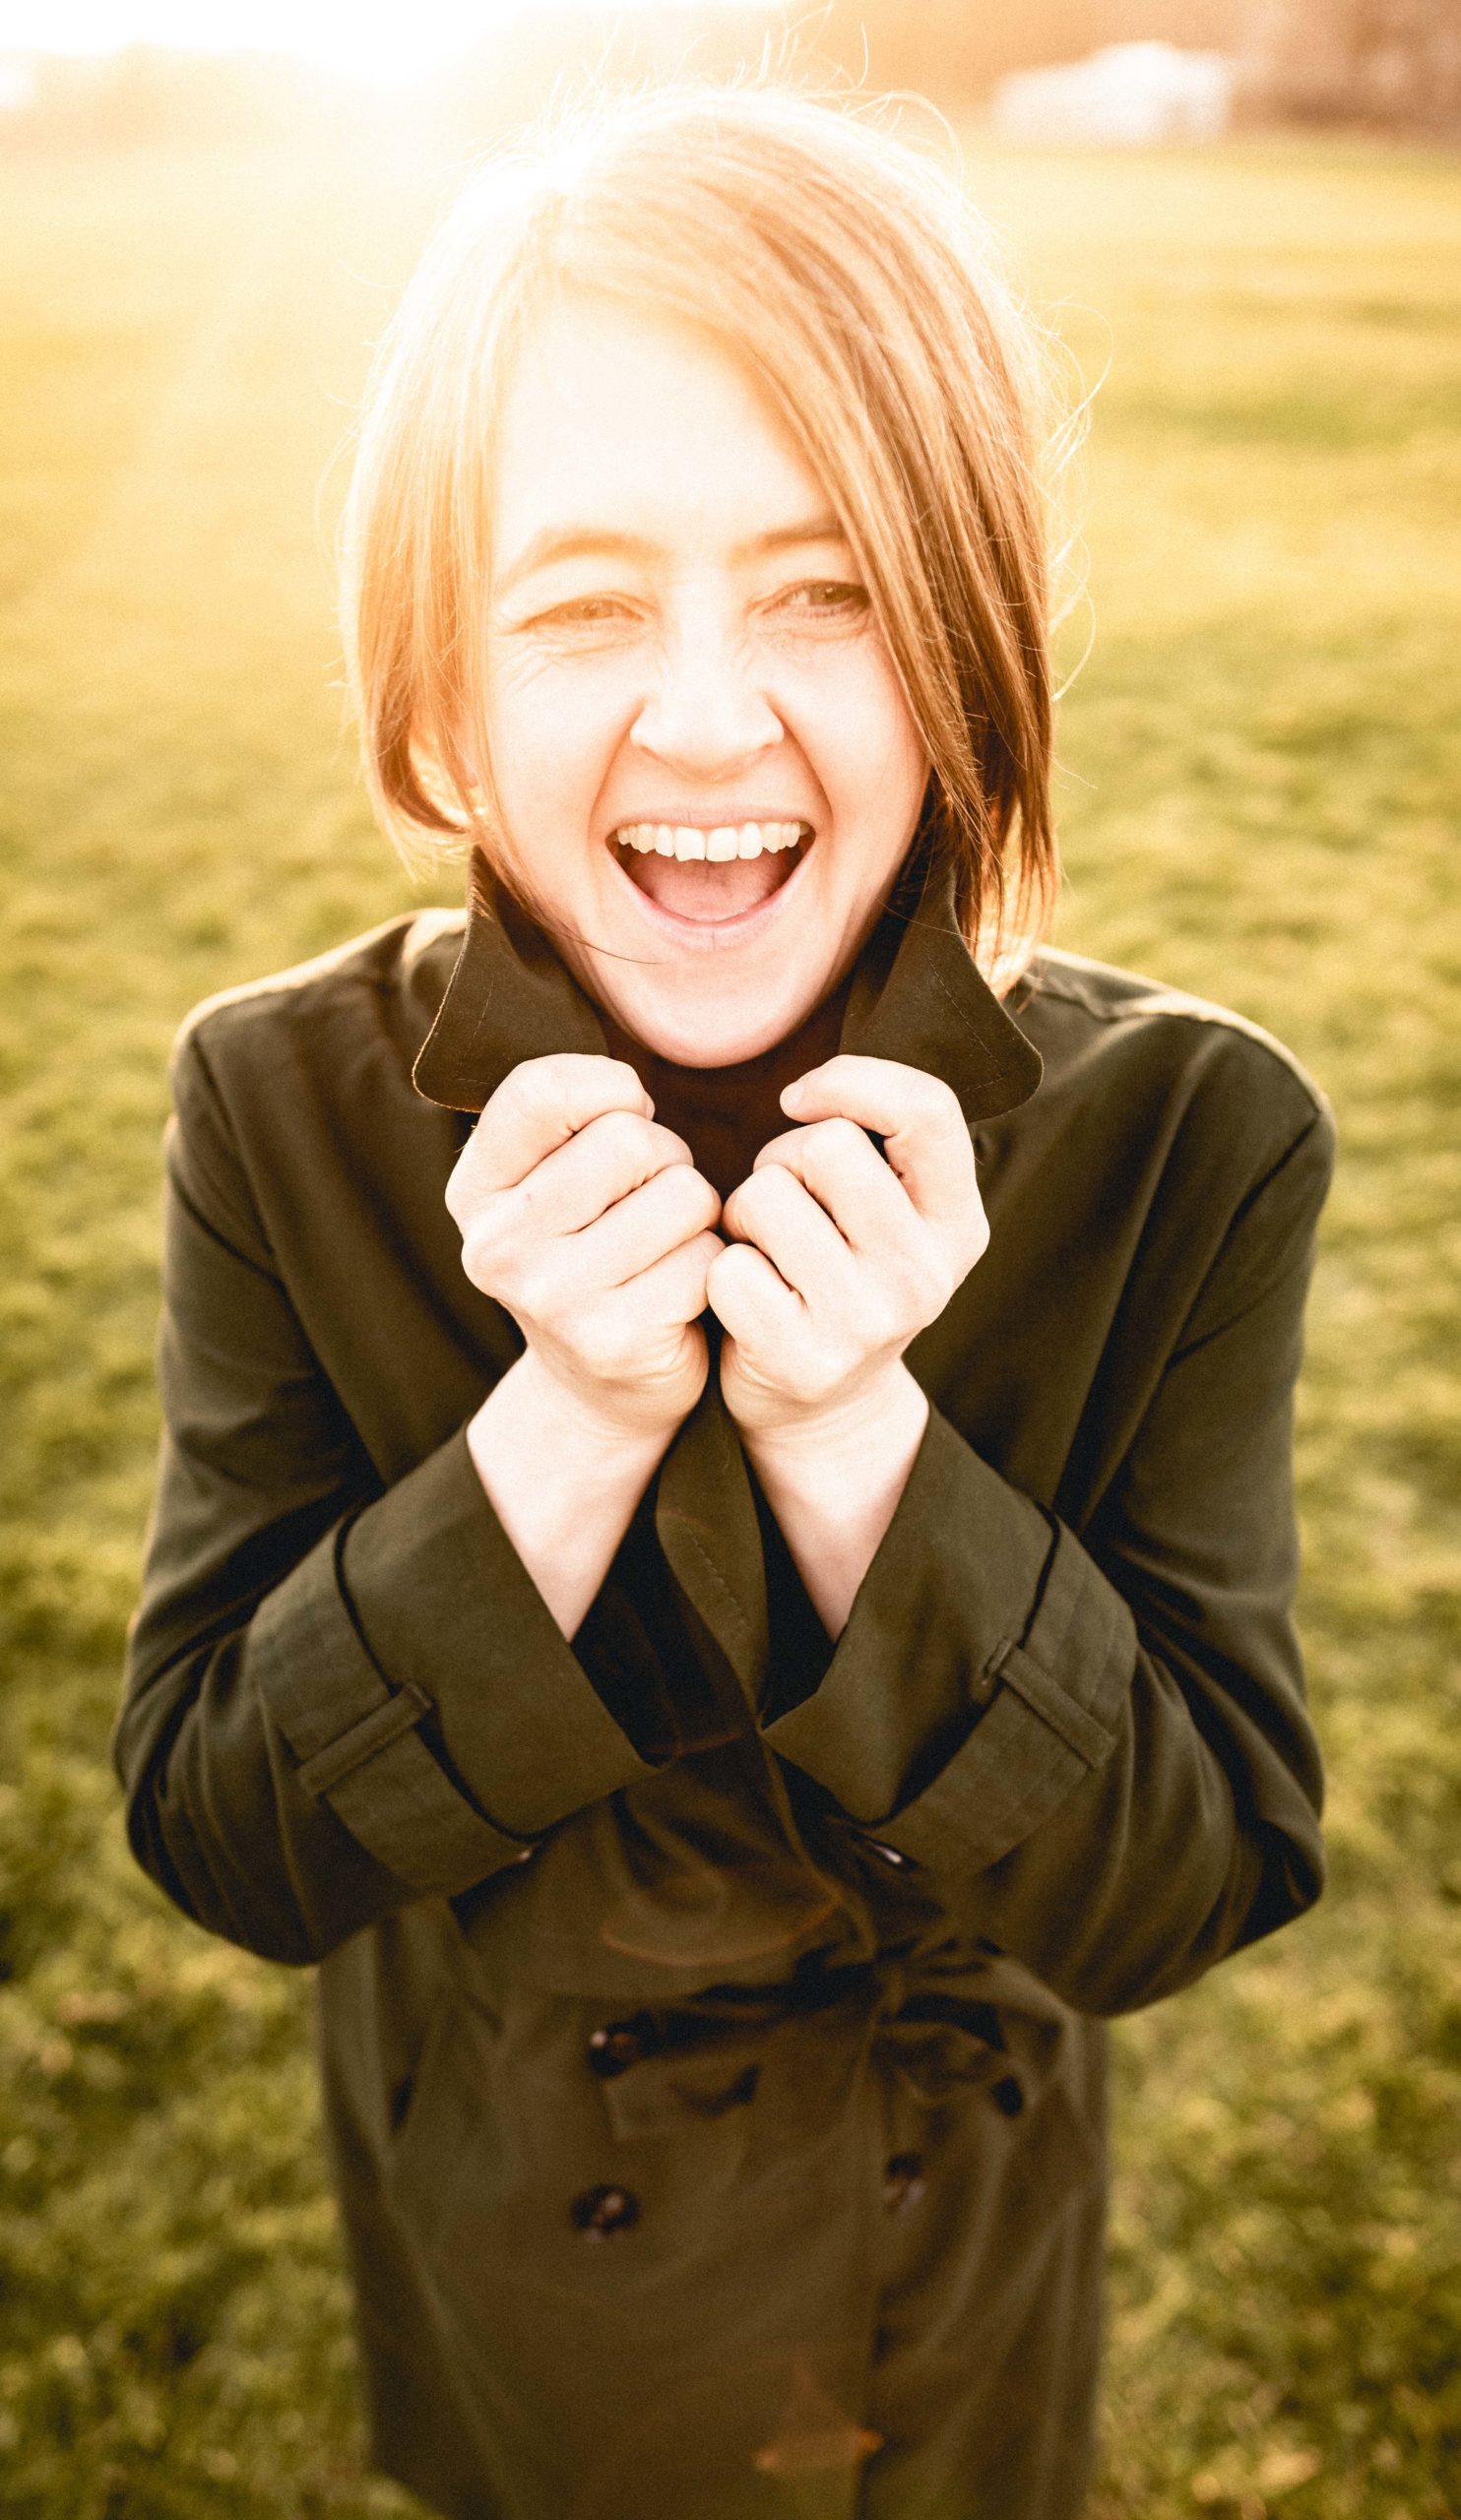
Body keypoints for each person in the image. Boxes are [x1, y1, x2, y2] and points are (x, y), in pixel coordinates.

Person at [115, 83, 1335, 2520]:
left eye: (825, 589)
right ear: (444, 695)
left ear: (970, 654)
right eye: (581, 604)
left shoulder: (1189, 1132)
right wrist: (558, 1427)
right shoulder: (279, 1106)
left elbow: (1188, 1874)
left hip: (948, 2268)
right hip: (522, 2251)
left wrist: (858, 1439)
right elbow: (230, 1834)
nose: (703, 714)